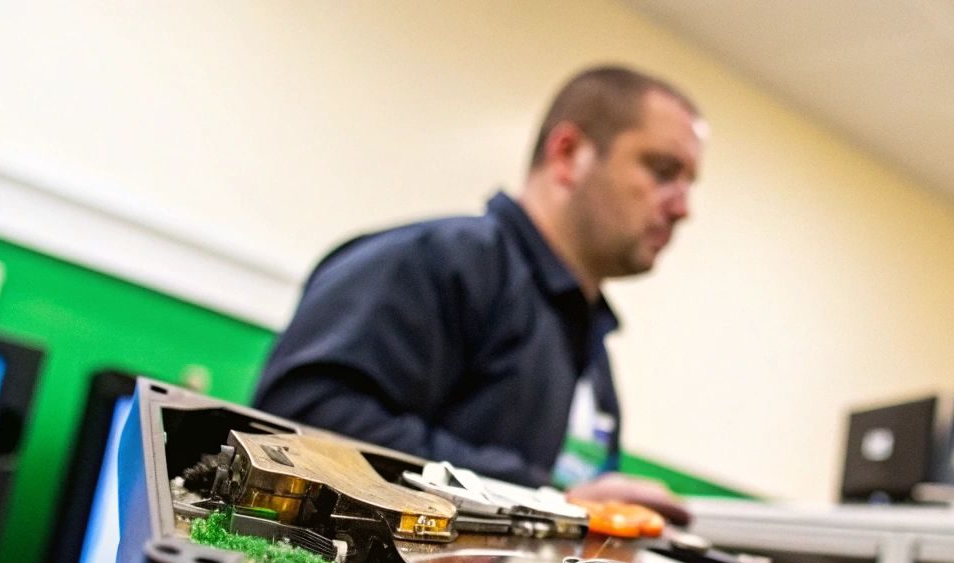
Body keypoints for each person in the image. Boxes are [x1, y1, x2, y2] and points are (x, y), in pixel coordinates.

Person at [253, 65, 702, 522]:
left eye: (690, 183)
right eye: (663, 171)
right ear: (568, 154)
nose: (683, 208)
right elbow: (299, 422)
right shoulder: (433, 260)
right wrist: (547, 499)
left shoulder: (590, 346)